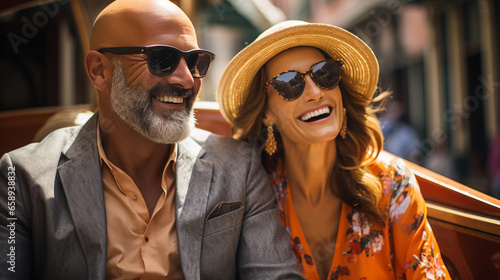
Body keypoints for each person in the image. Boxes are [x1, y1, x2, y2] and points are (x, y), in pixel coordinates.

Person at [0, 1, 304, 279]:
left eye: (196, 62)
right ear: (99, 71)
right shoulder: (21, 175)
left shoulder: (239, 165)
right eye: (162, 59)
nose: (186, 80)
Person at [217, 20, 451, 280]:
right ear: (266, 114)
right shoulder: (251, 193)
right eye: (289, 83)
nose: (315, 92)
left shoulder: (392, 183)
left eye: (325, 74)